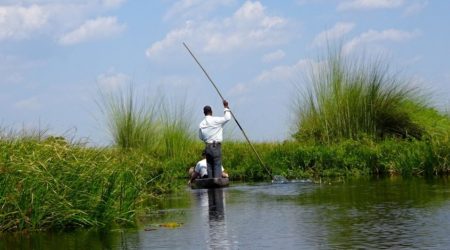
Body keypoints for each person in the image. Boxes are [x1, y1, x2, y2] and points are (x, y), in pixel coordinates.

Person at [198, 100, 231, 178]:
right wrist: (226, 107)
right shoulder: (216, 120)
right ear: (211, 112)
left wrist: (207, 138)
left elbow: (201, 137)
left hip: (207, 147)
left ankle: (211, 185)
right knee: (217, 165)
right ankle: (217, 185)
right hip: (216, 147)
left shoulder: (201, 123)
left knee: (209, 167)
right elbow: (227, 118)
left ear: (204, 113)